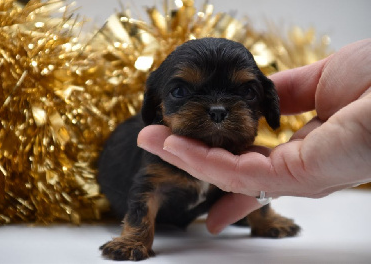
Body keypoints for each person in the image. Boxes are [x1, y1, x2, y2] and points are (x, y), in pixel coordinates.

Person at [137, 39, 371, 235]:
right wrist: (135, 239)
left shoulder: (243, 156)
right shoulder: (154, 152)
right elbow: (146, 191)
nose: (217, 109)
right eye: (181, 91)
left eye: (247, 92)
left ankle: (259, 219)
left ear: (266, 105)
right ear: (153, 105)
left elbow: (253, 185)